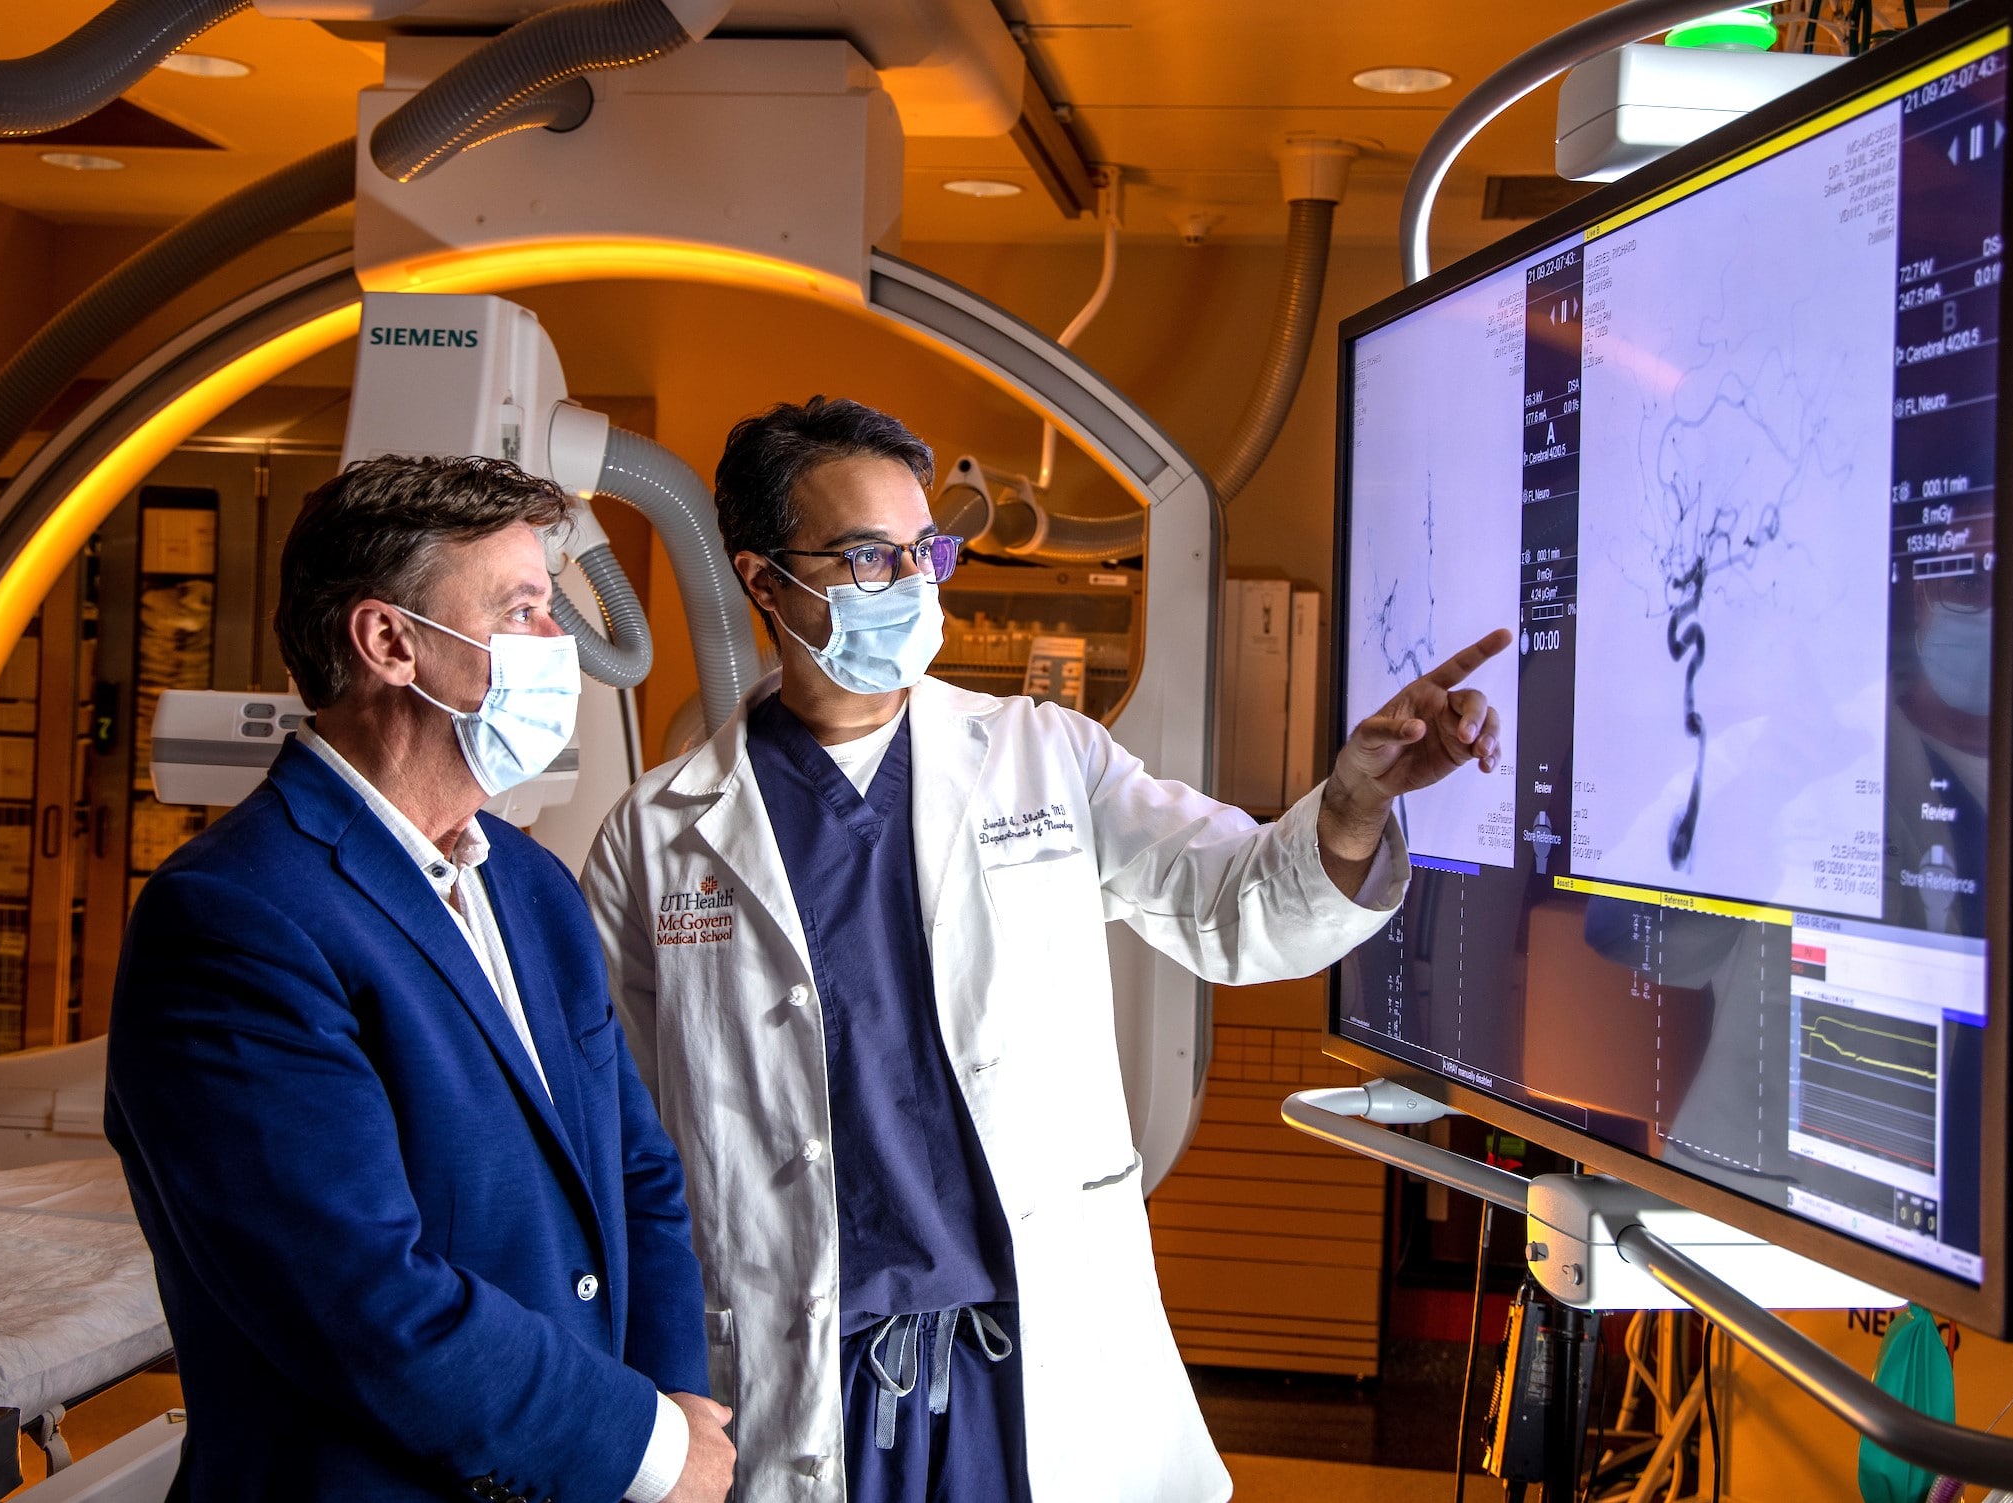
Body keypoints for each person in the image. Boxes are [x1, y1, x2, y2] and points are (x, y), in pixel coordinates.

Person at [581, 398, 1507, 1503]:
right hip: (793, 1373)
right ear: (764, 580)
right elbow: (618, 1130)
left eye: (924, 551)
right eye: (870, 557)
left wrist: (1353, 803)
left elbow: (1238, 907)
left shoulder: (1041, 758)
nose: (913, 585)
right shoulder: (657, 834)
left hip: (1024, 1369)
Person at [105, 455, 734, 1503]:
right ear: (391, 642)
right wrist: (645, 1448)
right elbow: (359, 1298)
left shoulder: (528, 883)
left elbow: (635, 1174)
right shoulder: (235, 920)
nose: (559, 648)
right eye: (525, 609)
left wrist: (671, 1411)